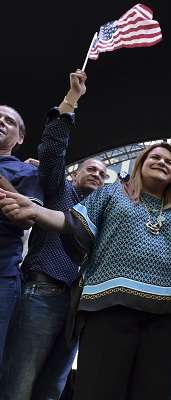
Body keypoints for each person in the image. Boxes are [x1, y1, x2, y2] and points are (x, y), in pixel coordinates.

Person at [0, 142, 171, 400]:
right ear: (140, 165)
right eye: (154, 157)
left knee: (151, 392)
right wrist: (35, 209)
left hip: (164, 315)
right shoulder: (112, 193)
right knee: (100, 389)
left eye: (170, 162)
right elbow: (71, 221)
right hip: (109, 309)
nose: (163, 163)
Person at [0, 71, 109, 400]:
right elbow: (52, 152)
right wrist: (70, 102)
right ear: (74, 172)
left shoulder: (104, 214)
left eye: (104, 173)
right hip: (41, 293)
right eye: (91, 168)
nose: (98, 174)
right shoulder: (58, 189)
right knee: (17, 386)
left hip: (79, 307)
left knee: (52, 390)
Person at [0, 104, 44, 366]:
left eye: (9, 121)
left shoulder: (27, 172)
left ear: (20, 138)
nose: (1, 122)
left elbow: (29, 217)